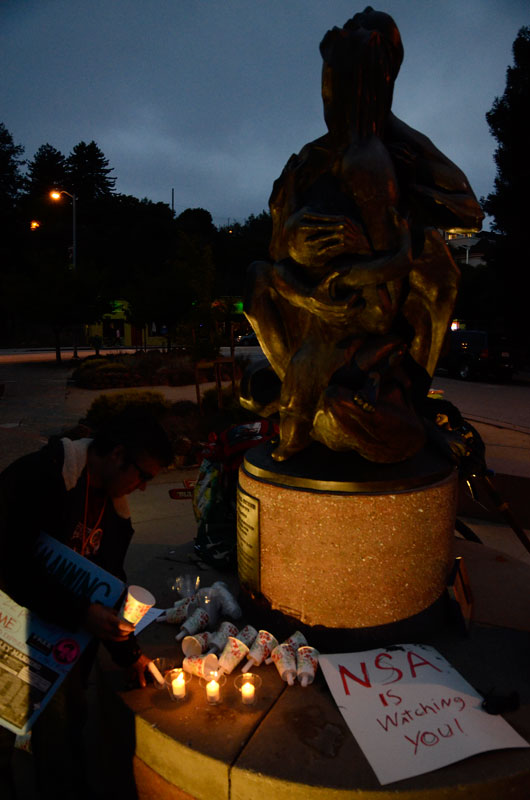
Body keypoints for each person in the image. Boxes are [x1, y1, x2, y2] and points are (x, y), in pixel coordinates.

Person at [0, 409, 174, 799]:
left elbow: (105, 590)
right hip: (8, 638)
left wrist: (128, 653)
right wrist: (80, 612)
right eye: (142, 475)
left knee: (62, 746)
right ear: (116, 454)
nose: (143, 487)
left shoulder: (116, 516)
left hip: (59, 653)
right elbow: (10, 564)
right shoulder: (39, 477)